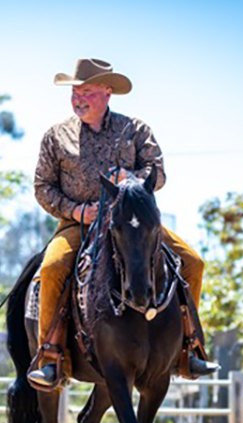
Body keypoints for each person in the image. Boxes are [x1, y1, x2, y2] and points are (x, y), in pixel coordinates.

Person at [27, 58, 214, 389]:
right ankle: (50, 355)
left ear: (107, 92)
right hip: (79, 226)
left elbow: (157, 173)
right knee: (53, 267)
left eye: (87, 91)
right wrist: (77, 211)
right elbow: (43, 188)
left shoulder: (136, 129)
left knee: (193, 262)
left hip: (133, 224)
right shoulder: (56, 137)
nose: (78, 98)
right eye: (75, 92)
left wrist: (129, 179)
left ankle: (189, 348)